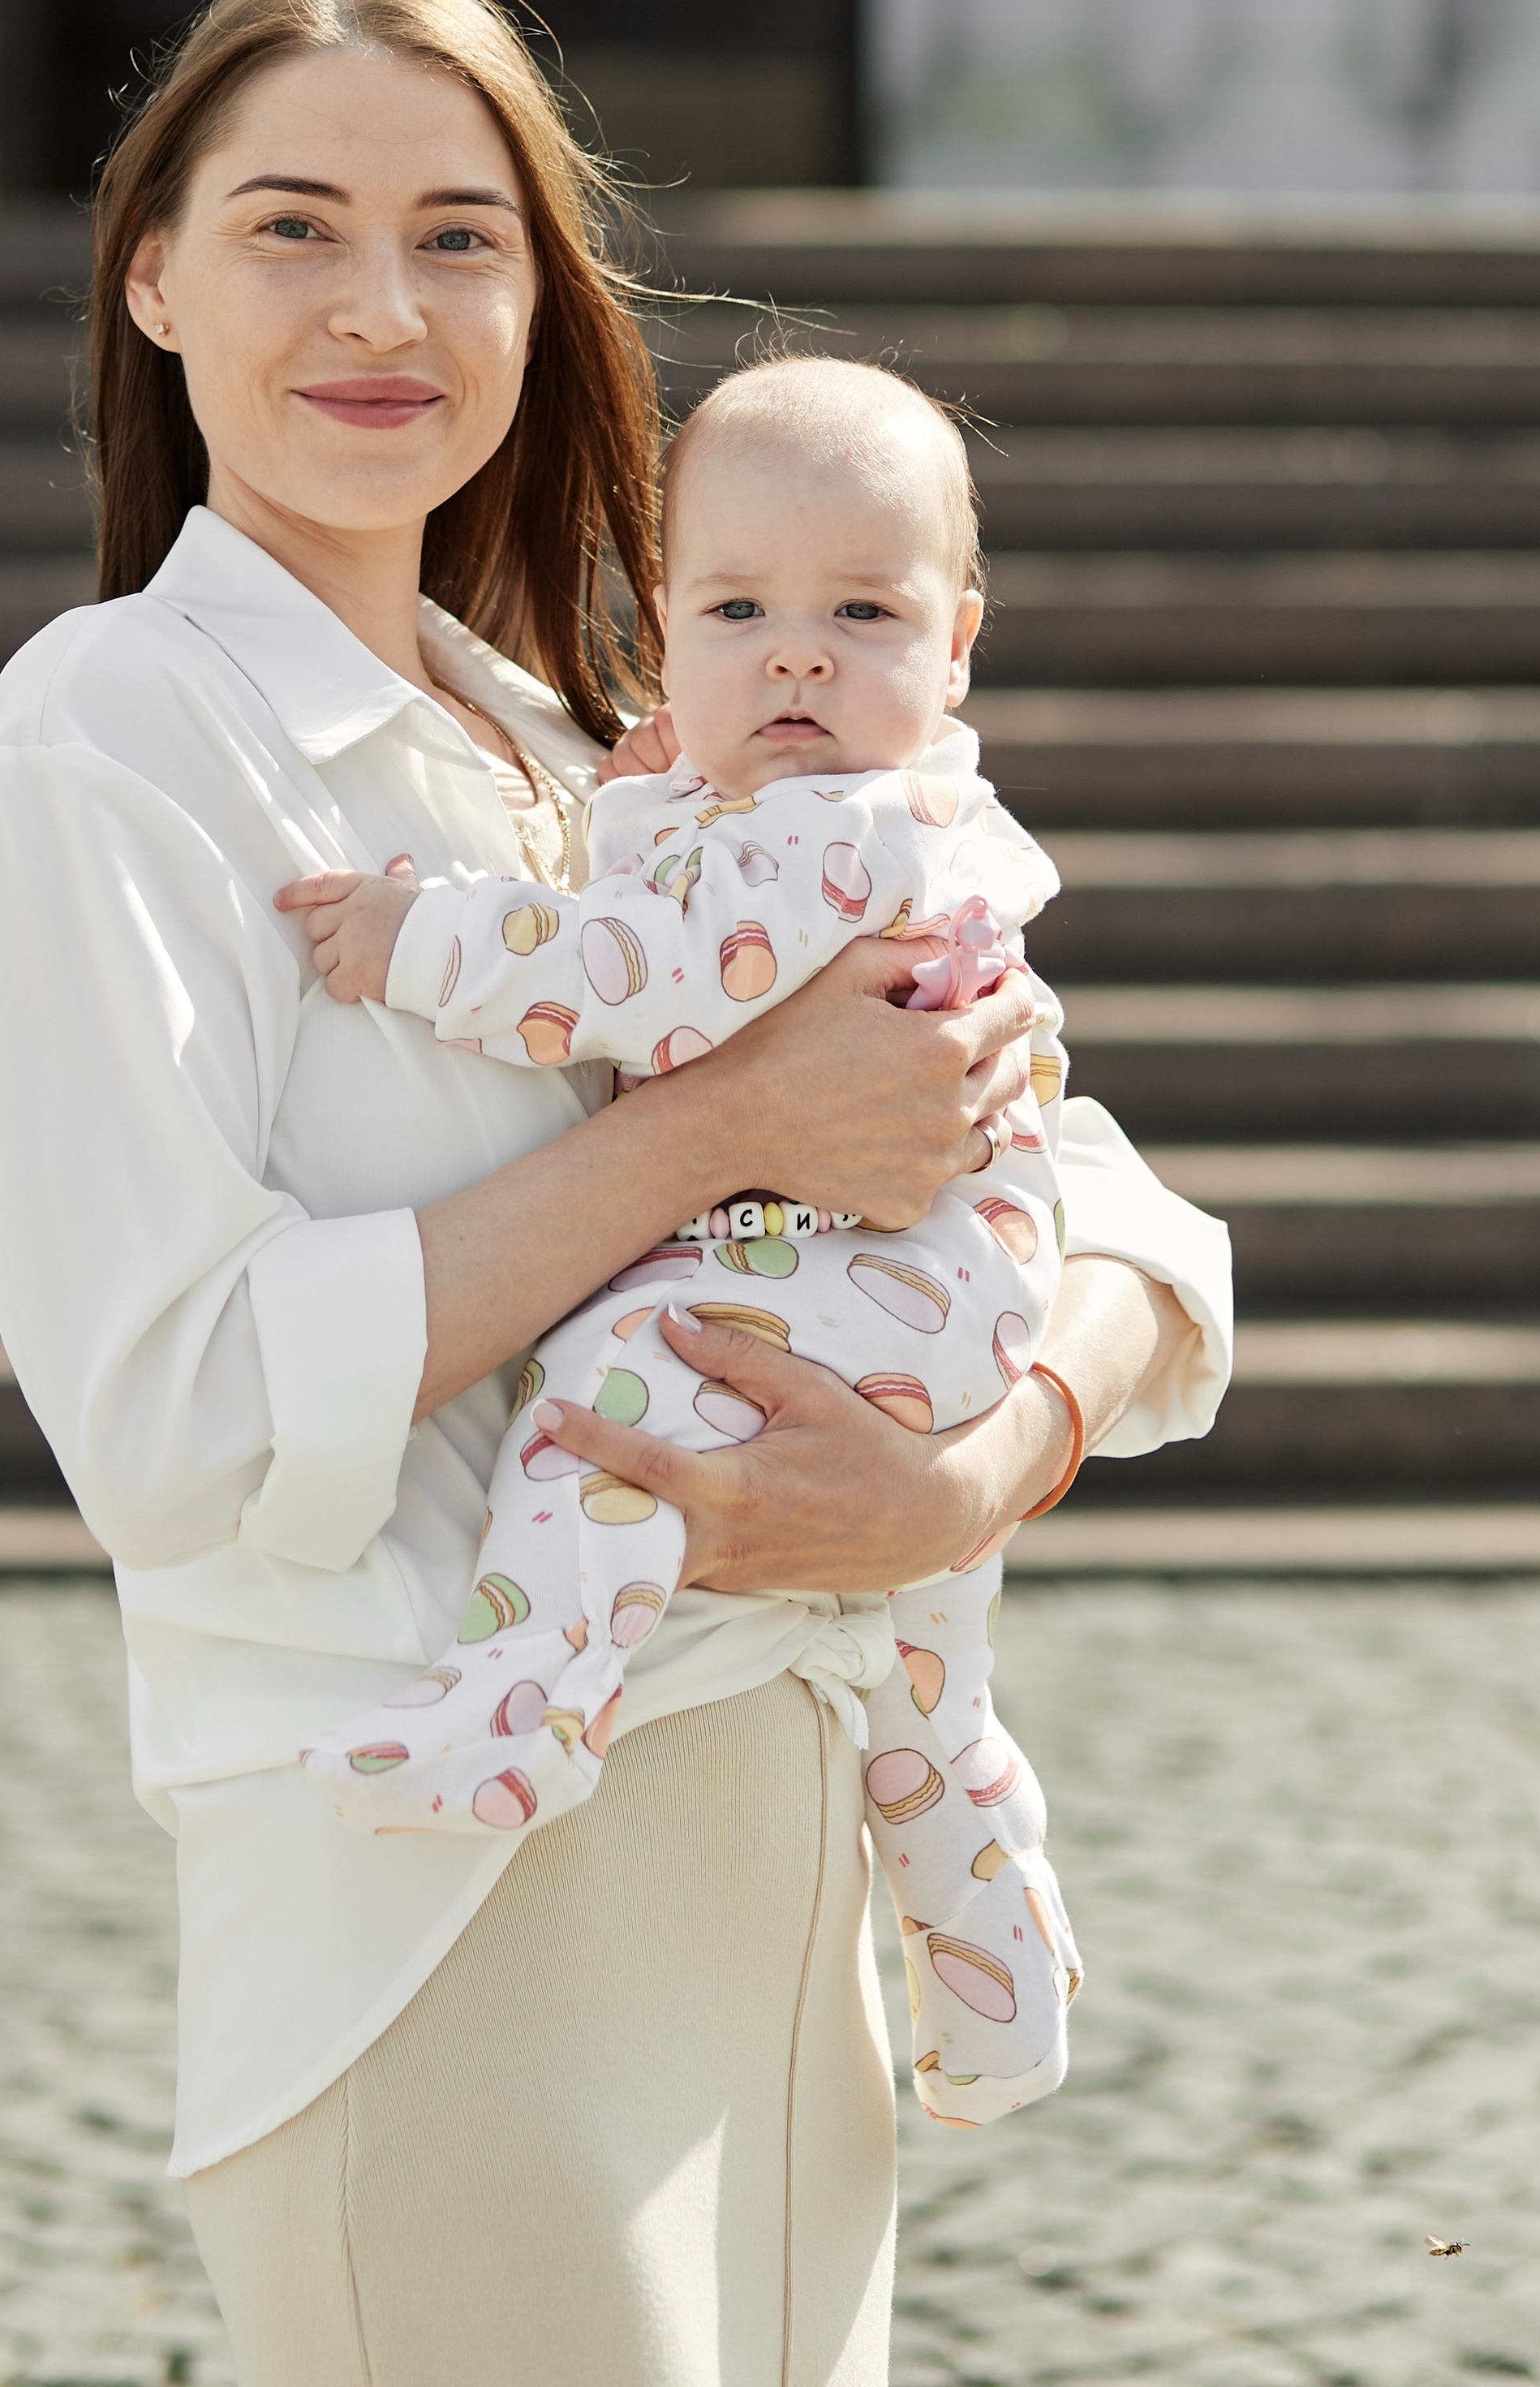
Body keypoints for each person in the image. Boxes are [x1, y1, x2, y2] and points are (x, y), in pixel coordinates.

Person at [0, 0, 1232, 2387]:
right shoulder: (112, 738)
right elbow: (181, 1414)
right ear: (155, 275)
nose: (377, 306)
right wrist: (717, 1132)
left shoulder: (621, 739)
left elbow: (1109, 1196)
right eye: (293, 223)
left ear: (544, 300)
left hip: (781, 1871)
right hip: (438, 1910)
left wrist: (980, 1463)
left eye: (461, 236)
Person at [286, 355, 1087, 2131]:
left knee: (614, 1386)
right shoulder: (818, 811)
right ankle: (997, 2005)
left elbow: (631, 986)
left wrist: (417, 941)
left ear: (954, 641)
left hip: (870, 1269)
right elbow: (688, 899)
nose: (794, 654)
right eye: (739, 609)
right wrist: (652, 804)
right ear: (663, 627)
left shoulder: (846, 826)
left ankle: (519, 1705)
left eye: (858, 611)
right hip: (943, 1291)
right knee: (923, 1686)